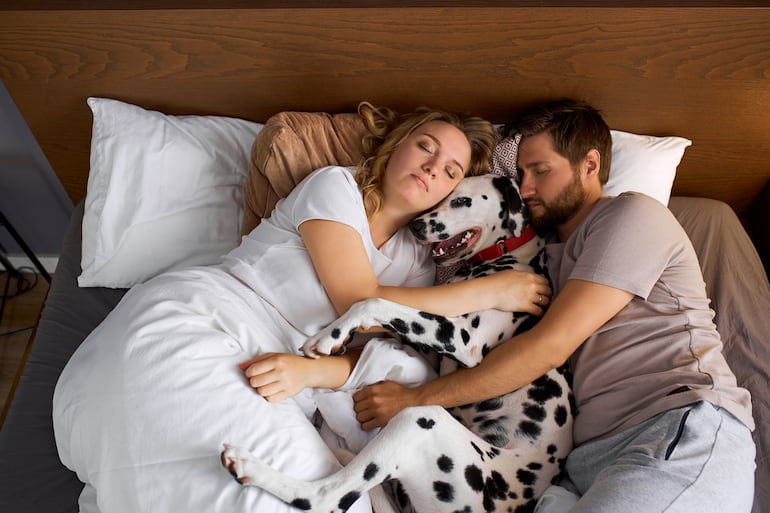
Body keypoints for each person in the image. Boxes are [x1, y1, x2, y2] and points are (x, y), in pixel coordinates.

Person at [52, 101, 550, 513]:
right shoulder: (336, 187)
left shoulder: (419, 266)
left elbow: (380, 357)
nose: (431, 169)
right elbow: (359, 301)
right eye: (425, 147)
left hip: (283, 376)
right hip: (212, 319)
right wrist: (493, 291)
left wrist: (308, 373)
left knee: (324, 497)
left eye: (450, 171)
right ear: (397, 144)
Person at [350, 99, 756, 513]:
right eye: (521, 173)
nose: (525, 189)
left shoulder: (630, 216)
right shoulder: (539, 256)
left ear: (590, 165)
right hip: (582, 465)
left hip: (674, 428)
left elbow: (549, 346)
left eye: (541, 171)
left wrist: (416, 400)